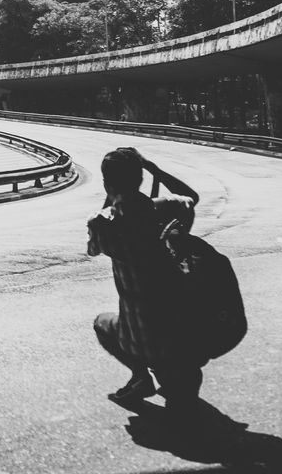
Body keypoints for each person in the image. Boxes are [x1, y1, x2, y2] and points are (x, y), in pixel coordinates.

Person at [87, 146, 204, 412]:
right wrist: (156, 172)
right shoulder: (169, 209)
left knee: (101, 324)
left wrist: (110, 199)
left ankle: (140, 376)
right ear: (141, 178)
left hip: (140, 334)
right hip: (183, 324)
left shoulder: (103, 224)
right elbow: (192, 196)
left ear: (107, 183)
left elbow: (92, 250)